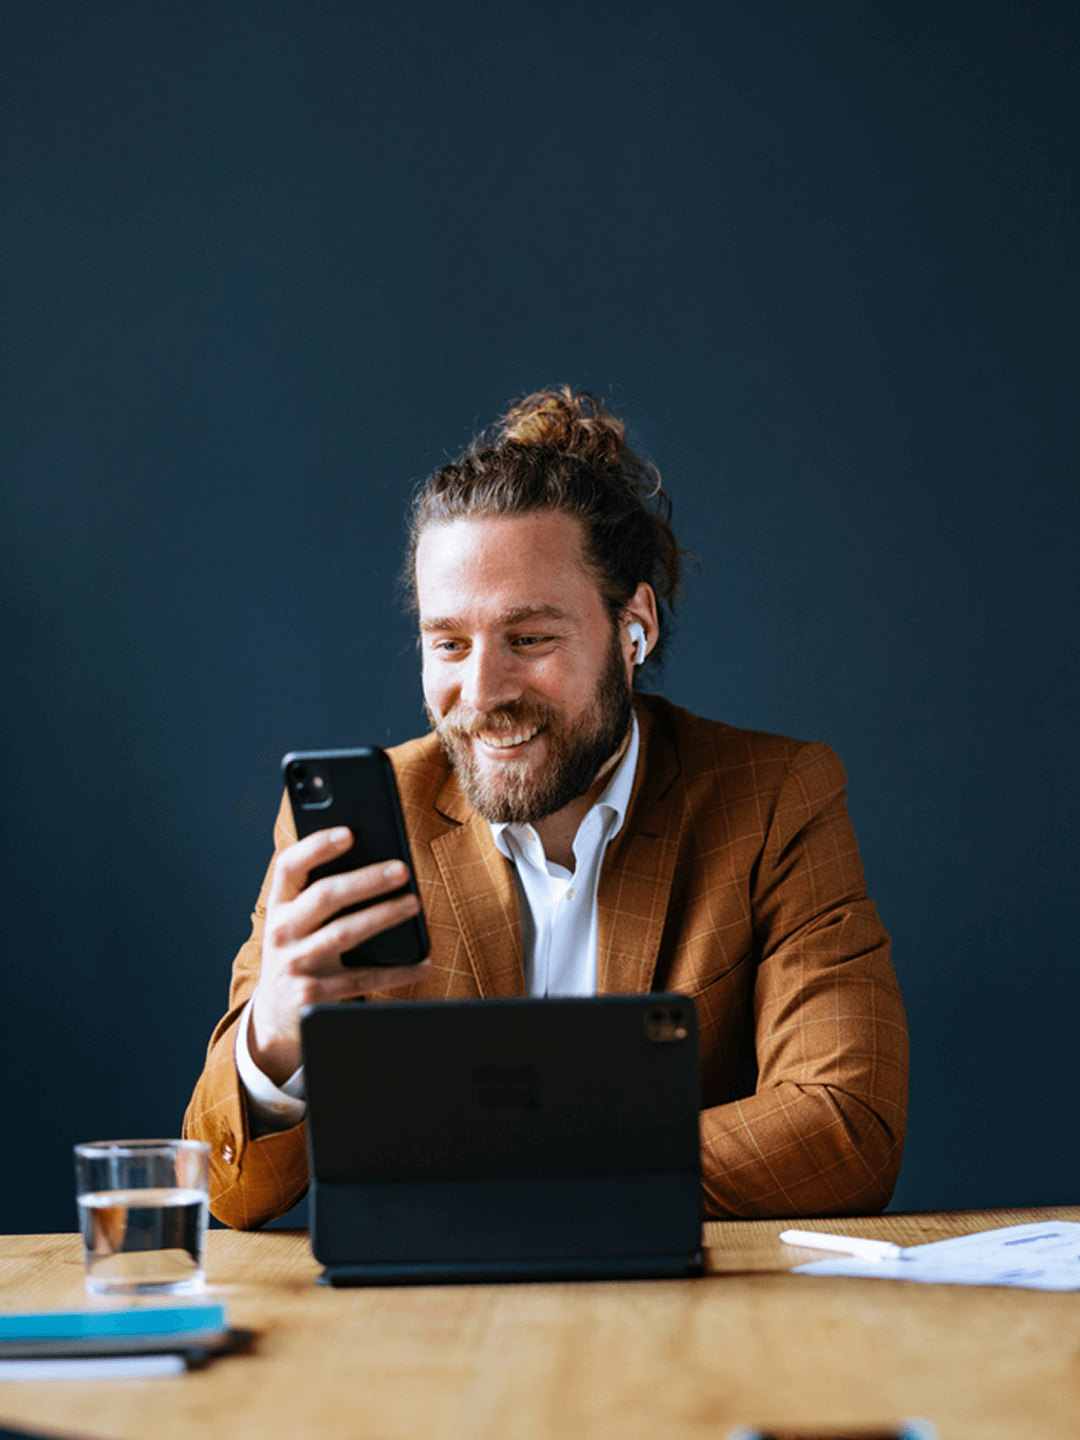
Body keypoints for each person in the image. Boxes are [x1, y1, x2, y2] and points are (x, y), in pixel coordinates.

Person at [185, 387, 908, 1230]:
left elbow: (847, 1129)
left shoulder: (777, 798)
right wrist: (273, 1038)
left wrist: (508, 1169)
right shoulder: (363, 827)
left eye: (529, 639)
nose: (483, 693)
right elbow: (230, 1192)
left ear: (632, 627)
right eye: (449, 643)